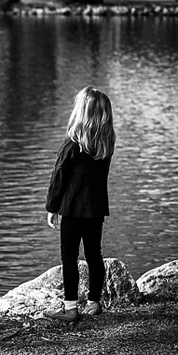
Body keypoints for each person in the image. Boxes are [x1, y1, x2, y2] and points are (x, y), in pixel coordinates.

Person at [44, 86, 116, 322]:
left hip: (72, 209)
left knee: (69, 257)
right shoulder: (106, 144)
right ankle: (94, 302)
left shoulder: (72, 144)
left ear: (80, 112)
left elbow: (59, 177)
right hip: (95, 209)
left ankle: (71, 307)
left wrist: (52, 207)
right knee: (94, 254)